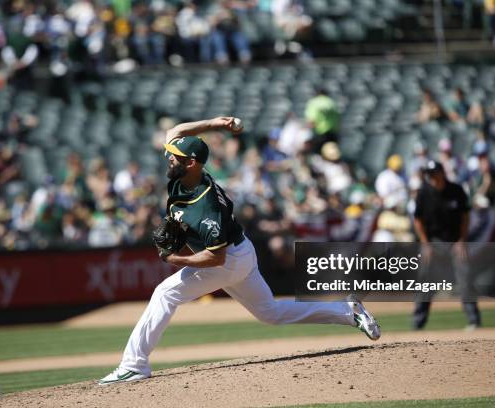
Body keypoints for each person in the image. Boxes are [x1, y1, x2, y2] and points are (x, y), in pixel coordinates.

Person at [98, 117, 381, 385]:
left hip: (227, 260)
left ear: (192, 163)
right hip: (242, 251)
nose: (169, 157)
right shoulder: (186, 172)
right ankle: (347, 310)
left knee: (164, 293)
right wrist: (214, 124)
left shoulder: (205, 205)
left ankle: (134, 365)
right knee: (270, 312)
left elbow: (215, 257)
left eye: (175, 156)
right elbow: (176, 132)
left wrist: (175, 258)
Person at [412, 160, 481, 330]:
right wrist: (425, 243)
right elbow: (418, 220)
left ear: (442, 173)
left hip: (454, 240)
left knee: (465, 275)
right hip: (432, 241)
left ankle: (474, 320)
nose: (432, 177)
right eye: (429, 175)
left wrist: (462, 240)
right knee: (424, 279)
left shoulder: (456, 191)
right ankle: (417, 324)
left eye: (434, 173)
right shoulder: (423, 193)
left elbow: (465, 216)